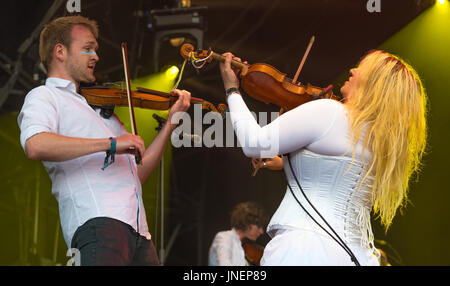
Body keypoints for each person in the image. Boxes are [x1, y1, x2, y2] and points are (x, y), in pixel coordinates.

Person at [219, 50, 427, 266]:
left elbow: (255, 143)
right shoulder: (385, 141)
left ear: (373, 83)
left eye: (362, 68)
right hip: (358, 255)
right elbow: (340, 174)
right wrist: (285, 164)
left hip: (305, 248)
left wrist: (231, 89)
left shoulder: (331, 112)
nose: (353, 70)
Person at [17, 16, 191, 266]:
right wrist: (109, 143)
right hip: (99, 222)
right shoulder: (45, 96)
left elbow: (135, 175)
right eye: (87, 48)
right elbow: (35, 144)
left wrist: (171, 122)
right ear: (60, 52)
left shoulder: (99, 110)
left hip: (140, 232)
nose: (96, 56)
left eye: (95, 50)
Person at [208, 201, 267, 266]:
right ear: (246, 223)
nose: (261, 231)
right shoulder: (224, 237)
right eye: (258, 226)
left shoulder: (240, 246)